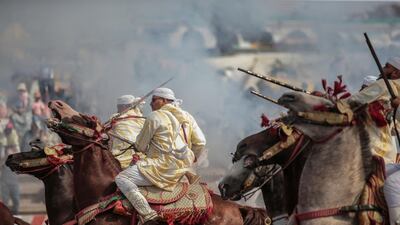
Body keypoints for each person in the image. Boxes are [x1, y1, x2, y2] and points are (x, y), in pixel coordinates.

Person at [115, 89, 195, 225]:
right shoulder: (175, 118)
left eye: (154, 100)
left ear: (163, 101)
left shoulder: (153, 116)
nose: (151, 104)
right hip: (175, 167)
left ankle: (148, 216)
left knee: (121, 178)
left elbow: (140, 146)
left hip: (160, 166)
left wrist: (139, 147)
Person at [109, 95, 145, 169]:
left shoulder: (116, 116)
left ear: (124, 106)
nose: (117, 109)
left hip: (122, 150)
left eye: (118, 107)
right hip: (139, 149)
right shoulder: (141, 117)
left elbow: (107, 131)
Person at [0, 102, 20, 214]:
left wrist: (13, 150)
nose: (1, 111)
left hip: (8, 160)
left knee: (14, 189)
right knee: (4, 192)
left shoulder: (10, 123)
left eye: (2, 108)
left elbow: (15, 141)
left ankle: (16, 211)